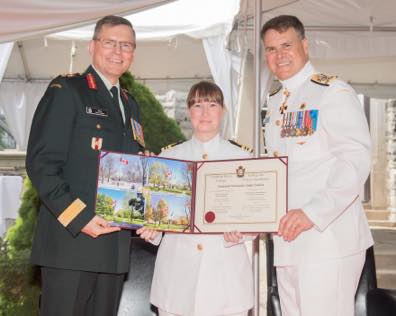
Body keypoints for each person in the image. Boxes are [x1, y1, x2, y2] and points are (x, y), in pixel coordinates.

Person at [26, 15, 144, 316]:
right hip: (72, 243)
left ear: (133, 53)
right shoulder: (68, 91)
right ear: (92, 46)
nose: (118, 51)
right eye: (110, 43)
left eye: (127, 45)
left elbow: (132, 168)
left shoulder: (130, 104)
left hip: (114, 247)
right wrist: (80, 218)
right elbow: (42, 164)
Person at [261, 15, 373, 316]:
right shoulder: (273, 102)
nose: (279, 55)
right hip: (287, 241)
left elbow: (356, 159)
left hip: (327, 240)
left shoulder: (332, 92)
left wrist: (313, 212)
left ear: (305, 45)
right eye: (271, 49)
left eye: (287, 45)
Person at [137, 81, 254, 316]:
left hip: (226, 282)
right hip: (176, 280)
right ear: (189, 111)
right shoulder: (168, 157)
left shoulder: (244, 158)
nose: (205, 113)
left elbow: (255, 214)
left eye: (212, 105)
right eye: (198, 105)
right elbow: (157, 218)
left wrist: (241, 232)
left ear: (223, 111)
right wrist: (151, 230)